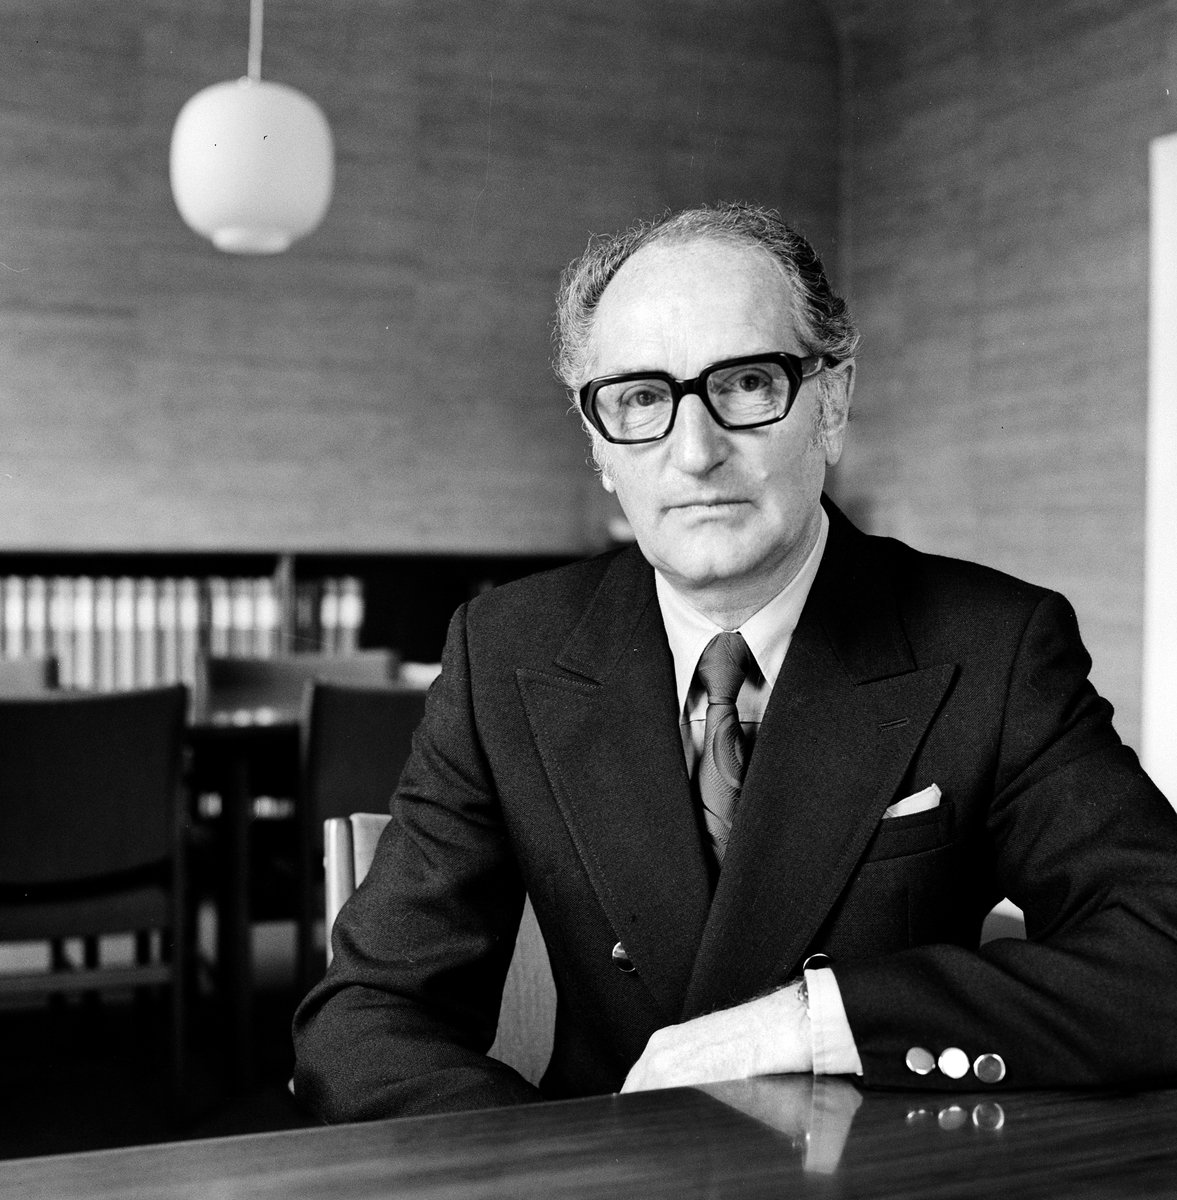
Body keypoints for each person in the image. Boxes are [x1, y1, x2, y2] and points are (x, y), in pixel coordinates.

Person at [293, 203, 1177, 1120]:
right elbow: (365, 1017)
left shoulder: (994, 646)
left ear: (830, 404)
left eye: (747, 383)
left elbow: (1162, 947)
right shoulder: (503, 652)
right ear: (599, 445)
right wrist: (553, 1172)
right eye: (641, 399)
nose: (695, 451)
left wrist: (815, 1023)